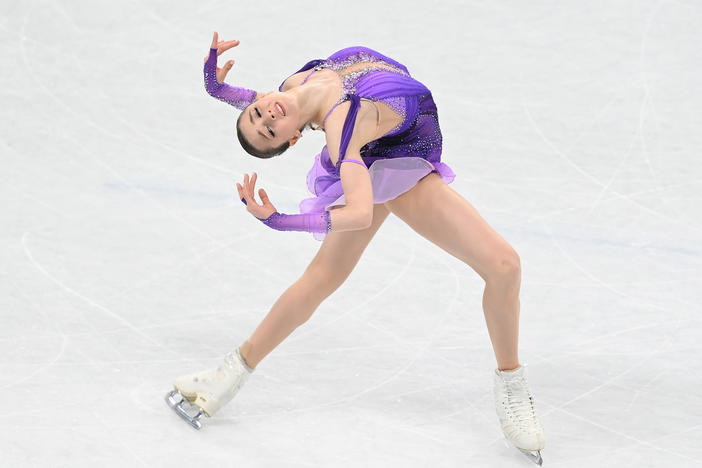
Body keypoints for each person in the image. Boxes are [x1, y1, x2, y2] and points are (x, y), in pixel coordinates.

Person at [165, 31, 545, 465]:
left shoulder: (291, 88)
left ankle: (227, 376)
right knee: (504, 265)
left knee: (322, 278)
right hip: (394, 161)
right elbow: (360, 211)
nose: (266, 114)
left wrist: (215, 87)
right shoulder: (340, 129)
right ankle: (511, 387)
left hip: (387, 141)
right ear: (292, 140)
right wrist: (281, 220)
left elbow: (255, 102)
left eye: (257, 112)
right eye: (269, 128)